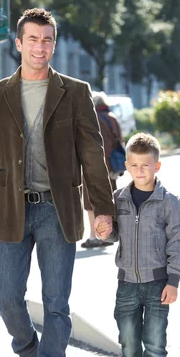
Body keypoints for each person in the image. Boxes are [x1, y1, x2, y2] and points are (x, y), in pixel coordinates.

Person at [0, 8, 114, 357]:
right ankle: (29, 353)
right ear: (18, 43)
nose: (40, 46)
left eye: (47, 39)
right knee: (7, 296)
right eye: (32, 39)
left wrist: (102, 209)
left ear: (53, 44)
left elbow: (93, 156)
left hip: (58, 210)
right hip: (12, 209)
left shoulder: (74, 92)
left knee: (56, 302)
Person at [96, 133, 180, 357]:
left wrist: (173, 281)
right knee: (128, 338)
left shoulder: (169, 202)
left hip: (158, 283)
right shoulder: (118, 199)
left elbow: (178, 243)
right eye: (134, 165)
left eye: (145, 165)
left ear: (156, 167)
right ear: (127, 164)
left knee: (156, 339)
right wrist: (104, 233)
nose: (139, 171)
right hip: (126, 284)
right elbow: (112, 236)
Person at [81, 92, 123, 248]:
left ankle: (95, 236)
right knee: (109, 200)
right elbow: (120, 139)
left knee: (90, 203)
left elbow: (96, 145)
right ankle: (109, 233)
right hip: (111, 167)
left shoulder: (95, 119)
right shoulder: (112, 117)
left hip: (94, 167)